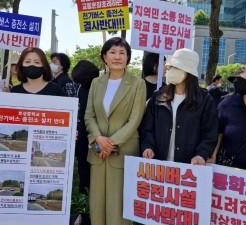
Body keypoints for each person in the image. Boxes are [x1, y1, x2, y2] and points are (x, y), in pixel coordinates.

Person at [85, 37, 146, 225]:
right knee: (97, 206)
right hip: (98, 153)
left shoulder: (137, 84)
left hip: (122, 152)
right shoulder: (96, 83)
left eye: (122, 52)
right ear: (104, 57)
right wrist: (98, 139)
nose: (117, 57)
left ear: (128, 57)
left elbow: (135, 120)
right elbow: (89, 115)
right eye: (112, 52)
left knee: (119, 208)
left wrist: (110, 143)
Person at [140, 48, 218, 164]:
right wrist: (147, 146)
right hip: (157, 164)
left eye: (175, 67)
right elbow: (147, 128)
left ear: (188, 73)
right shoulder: (158, 96)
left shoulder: (204, 99)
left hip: (189, 167)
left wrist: (201, 154)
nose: (169, 71)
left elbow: (210, 133)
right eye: (170, 67)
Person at [70, 60, 100, 194]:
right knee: (83, 164)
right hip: (83, 132)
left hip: (98, 133)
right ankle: (84, 193)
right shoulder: (82, 88)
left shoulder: (100, 87)